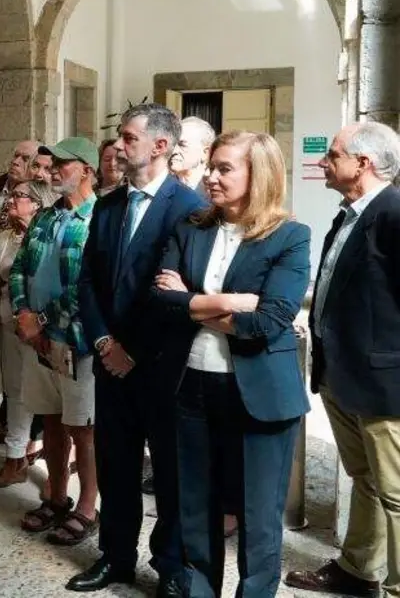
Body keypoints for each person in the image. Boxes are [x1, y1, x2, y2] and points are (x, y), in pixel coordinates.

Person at [153, 131, 312, 598]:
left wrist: (193, 303)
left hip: (260, 394)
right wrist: (228, 301)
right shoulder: (191, 228)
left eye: (225, 168)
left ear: (258, 174)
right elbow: (160, 302)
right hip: (193, 386)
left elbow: (270, 319)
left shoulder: (290, 236)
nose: (211, 177)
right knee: (196, 510)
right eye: (212, 167)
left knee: (259, 519)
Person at [72, 103, 206, 598]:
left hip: (161, 366)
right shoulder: (108, 205)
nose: (119, 146)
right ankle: (116, 557)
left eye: (129, 138)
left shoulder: (188, 208)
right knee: (116, 465)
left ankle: (172, 565)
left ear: (161, 146)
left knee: (170, 472)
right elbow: (88, 280)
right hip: (111, 362)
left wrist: (133, 349)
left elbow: (176, 293)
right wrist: (105, 342)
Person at [285, 121, 400, 598]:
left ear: (363, 163)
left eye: (332, 154)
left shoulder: (394, 213)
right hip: (343, 374)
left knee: (396, 493)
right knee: (366, 480)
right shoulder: (349, 214)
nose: (323, 162)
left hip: (383, 383)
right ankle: (359, 570)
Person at [9, 137, 100, 547]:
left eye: (64, 163)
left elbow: (86, 285)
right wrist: (24, 314)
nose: (54, 169)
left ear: (87, 170)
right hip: (38, 340)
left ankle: (86, 506)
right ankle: (56, 495)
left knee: (82, 428)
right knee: (50, 420)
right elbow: (19, 267)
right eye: (53, 162)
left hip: (75, 341)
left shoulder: (98, 219)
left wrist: (41, 320)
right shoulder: (45, 217)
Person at [0, 178, 55, 487]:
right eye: (12, 195)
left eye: (20, 196)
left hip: (35, 329)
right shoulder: (6, 237)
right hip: (6, 328)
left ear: (37, 204)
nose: (12, 200)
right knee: (14, 393)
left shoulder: (47, 238)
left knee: (34, 396)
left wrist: (31, 320)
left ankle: (38, 466)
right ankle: (15, 459)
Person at [171, 116, 216, 199]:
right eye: (173, 144)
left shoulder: (214, 192)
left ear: (205, 153)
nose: (173, 151)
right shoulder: (162, 188)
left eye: (182, 145)